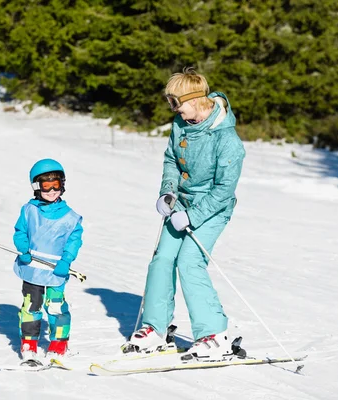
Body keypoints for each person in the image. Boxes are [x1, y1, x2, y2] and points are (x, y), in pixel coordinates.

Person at [127, 68, 246, 360]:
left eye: (176, 103)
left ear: (194, 100)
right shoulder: (180, 125)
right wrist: (167, 192)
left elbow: (223, 191)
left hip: (212, 209)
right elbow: (171, 159)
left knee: (189, 261)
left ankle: (215, 334)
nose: (174, 110)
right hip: (182, 204)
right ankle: (155, 329)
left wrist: (192, 217)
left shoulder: (228, 140)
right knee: (162, 258)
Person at [12, 159, 84, 361]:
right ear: (37, 187)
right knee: (31, 305)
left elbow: (74, 242)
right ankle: (29, 342)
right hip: (33, 267)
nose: (52, 190)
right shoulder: (29, 210)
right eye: (46, 186)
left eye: (57, 185)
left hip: (55, 270)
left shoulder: (70, 217)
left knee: (55, 305)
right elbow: (20, 232)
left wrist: (66, 261)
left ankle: (59, 343)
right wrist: (23, 249)